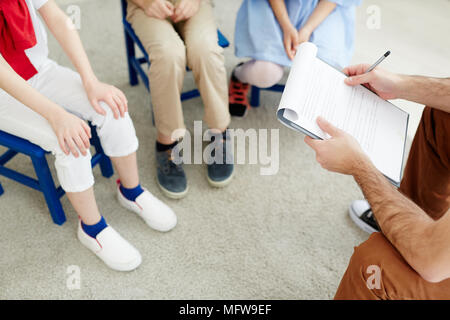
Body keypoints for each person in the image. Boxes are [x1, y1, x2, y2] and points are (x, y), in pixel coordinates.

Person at [0, 0, 177, 272]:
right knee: (70, 141)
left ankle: (131, 191)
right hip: (3, 97)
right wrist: (56, 115)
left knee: (110, 106)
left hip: (39, 71)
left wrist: (91, 81)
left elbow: (59, 20)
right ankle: (92, 229)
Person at [304, 64, 450, 299]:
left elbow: (430, 260)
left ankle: (414, 233)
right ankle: (409, 225)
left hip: (433, 257)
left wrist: (360, 168)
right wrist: (400, 85)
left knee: (375, 267)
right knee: (443, 117)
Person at [125, 0, 234, 199]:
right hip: (144, 5)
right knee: (168, 54)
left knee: (206, 50)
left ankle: (220, 132)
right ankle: (167, 143)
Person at [229, 0, 360, 117]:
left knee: (323, 73)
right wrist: (286, 26)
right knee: (266, 73)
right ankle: (238, 75)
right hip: (276, 5)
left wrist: (307, 29)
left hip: (325, 10)